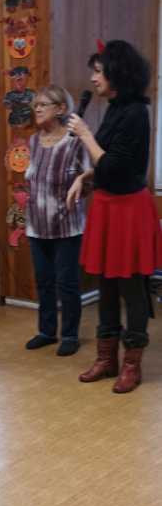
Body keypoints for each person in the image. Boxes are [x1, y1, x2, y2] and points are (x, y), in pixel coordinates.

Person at [67, 39, 162, 393]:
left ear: (116, 72)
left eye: (98, 71)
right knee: (106, 286)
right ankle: (106, 360)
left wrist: (85, 134)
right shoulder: (115, 108)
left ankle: (131, 365)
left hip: (129, 211)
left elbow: (117, 166)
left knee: (132, 290)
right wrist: (86, 178)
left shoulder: (136, 112)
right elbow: (106, 164)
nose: (93, 78)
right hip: (107, 206)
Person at [24, 85, 90, 356]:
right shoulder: (33, 141)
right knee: (44, 281)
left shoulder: (75, 142)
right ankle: (47, 331)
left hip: (66, 226)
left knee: (67, 283)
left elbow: (89, 180)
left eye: (43, 104)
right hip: (36, 226)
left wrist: (81, 183)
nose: (37, 109)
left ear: (61, 108)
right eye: (35, 105)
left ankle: (70, 334)